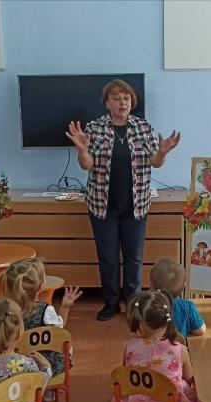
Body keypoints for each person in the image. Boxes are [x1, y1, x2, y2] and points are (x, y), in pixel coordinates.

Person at [65, 79, 182, 321]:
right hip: (102, 205)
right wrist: (82, 150)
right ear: (107, 103)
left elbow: (155, 162)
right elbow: (87, 165)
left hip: (136, 206)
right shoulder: (95, 128)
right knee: (107, 258)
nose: (122, 102)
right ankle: (110, 303)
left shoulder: (143, 127)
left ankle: (133, 304)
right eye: (116, 98)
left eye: (126, 98)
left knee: (134, 258)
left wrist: (162, 152)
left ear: (132, 102)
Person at [103, 291, 207, 402]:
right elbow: (190, 379)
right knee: (188, 393)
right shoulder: (179, 350)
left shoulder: (129, 347)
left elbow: (126, 374)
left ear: (141, 324)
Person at [0, 257, 81, 381]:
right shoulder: (46, 310)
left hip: (18, 366)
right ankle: (48, 383)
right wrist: (65, 307)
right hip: (48, 365)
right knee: (67, 345)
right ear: (40, 286)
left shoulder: (5, 310)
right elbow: (59, 331)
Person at [149, 257, 206, 336]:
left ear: (151, 286)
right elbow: (201, 331)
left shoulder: (145, 305)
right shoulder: (187, 307)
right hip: (178, 344)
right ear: (183, 287)